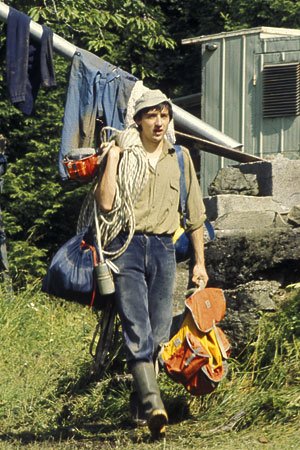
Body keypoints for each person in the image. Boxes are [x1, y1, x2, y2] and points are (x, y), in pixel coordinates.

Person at [94, 89, 208, 438]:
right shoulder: (123, 153)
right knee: (136, 328)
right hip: (125, 246)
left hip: (162, 248)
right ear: (138, 121)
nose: (158, 122)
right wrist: (112, 158)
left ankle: (142, 405)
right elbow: (106, 203)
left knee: (159, 332)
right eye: (151, 116)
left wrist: (200, 263)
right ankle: (155, 404)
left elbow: (196, 216)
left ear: (169, 119)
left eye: (163, 115)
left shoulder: (180, 157)